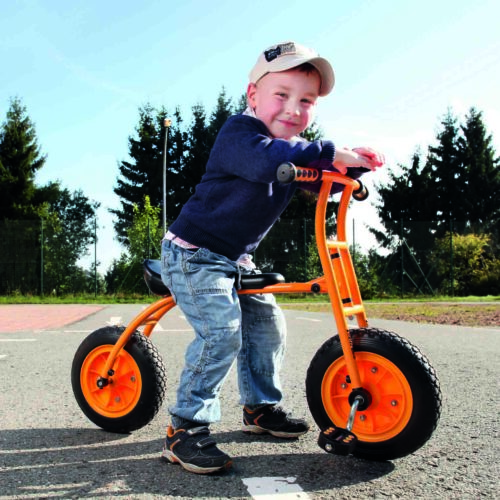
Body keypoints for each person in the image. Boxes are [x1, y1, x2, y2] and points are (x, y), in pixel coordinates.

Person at [160, 41, 384, 474]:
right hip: (193, 254)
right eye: (281, 95)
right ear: (252, 96)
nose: (293, 109)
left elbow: (317, 181)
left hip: (235, 260)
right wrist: (327, 151)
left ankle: (259, 408)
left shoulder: (293, 149)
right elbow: (266, 162)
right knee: (222, 332)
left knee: (267, 325)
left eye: (306, 101)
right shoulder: (239, 134)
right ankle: (185, 429)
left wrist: (350, 171)